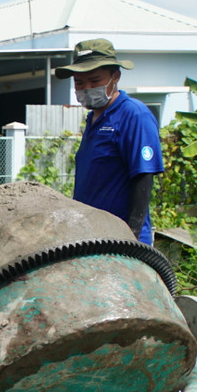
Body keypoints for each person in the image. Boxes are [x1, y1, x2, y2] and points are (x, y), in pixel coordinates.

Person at [55, 38, 163, 243]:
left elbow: (143, 177)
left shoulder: (134, 114)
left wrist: (131, 239)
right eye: (79, 83)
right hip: (91, 236)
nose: (87, 88)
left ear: (116, 77)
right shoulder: (93, 119)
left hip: (121, 240)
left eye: (95, 81)